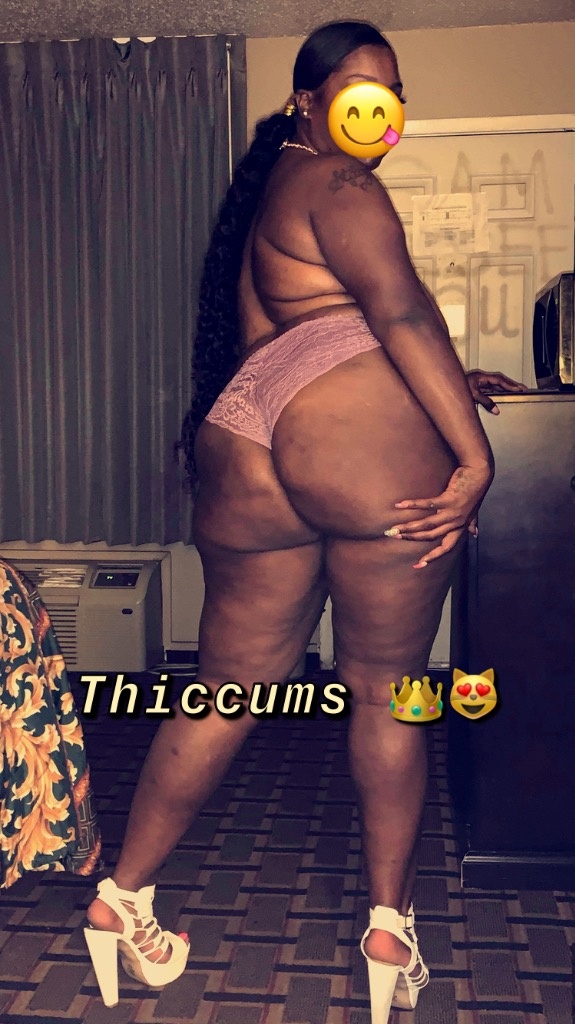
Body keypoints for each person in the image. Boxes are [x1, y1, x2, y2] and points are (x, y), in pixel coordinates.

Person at [83, 20, 527, 1021]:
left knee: (224, 692)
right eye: (361, 93)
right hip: (353, 439)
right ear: (307, 101)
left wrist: (445, 381)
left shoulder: (275, 191)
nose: (380, 113)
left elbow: (324, 332)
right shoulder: (339, 182)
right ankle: (388, 931)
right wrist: (473, 454)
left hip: (245, 430)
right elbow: (396, 313)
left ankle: (123, 896)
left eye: (392, 96)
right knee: (389, 694)